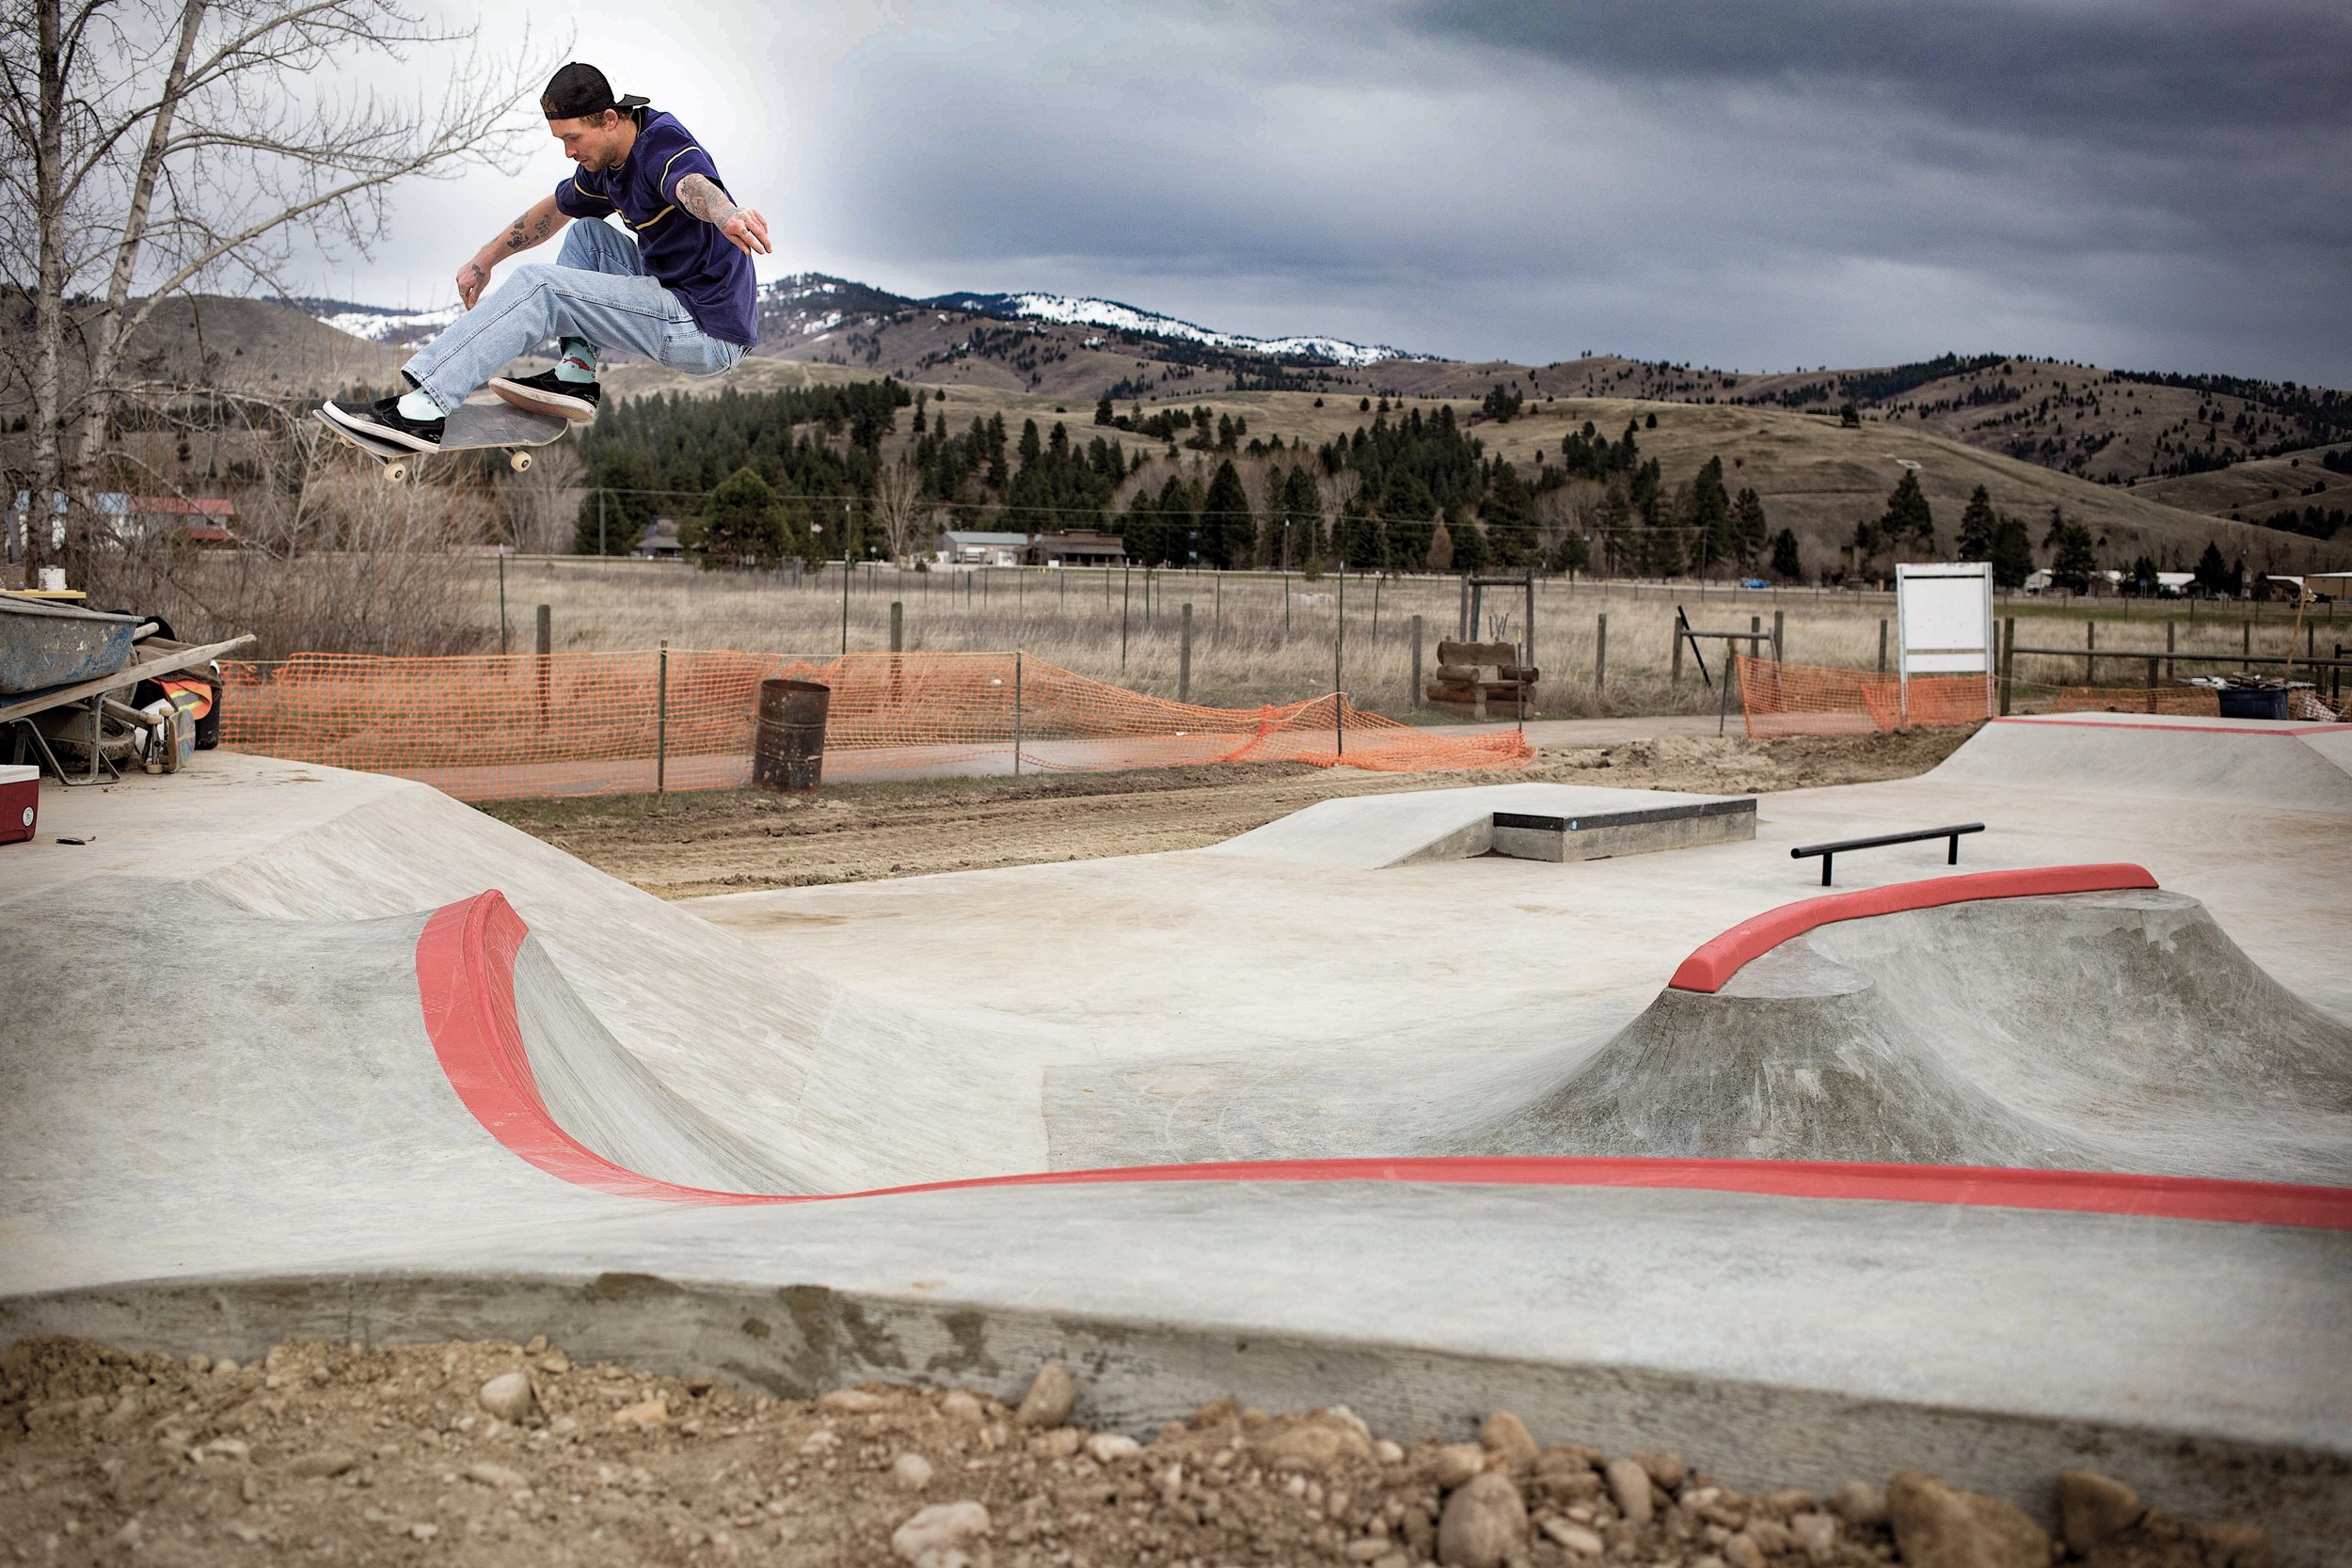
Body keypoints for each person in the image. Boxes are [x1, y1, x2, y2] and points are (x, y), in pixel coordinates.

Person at [322, 62, 770, 451]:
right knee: (587, 235)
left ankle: (425, 405)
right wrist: (485, 260)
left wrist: (727, 214)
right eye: (561, 140)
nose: (569, 151)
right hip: (672, 295)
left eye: (574, 138)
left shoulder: (661, 145)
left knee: (541, 286)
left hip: (707, 329)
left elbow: (691, 185)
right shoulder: (606, 166)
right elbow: (554, 209)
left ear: (610, 119)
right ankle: (576, 372)